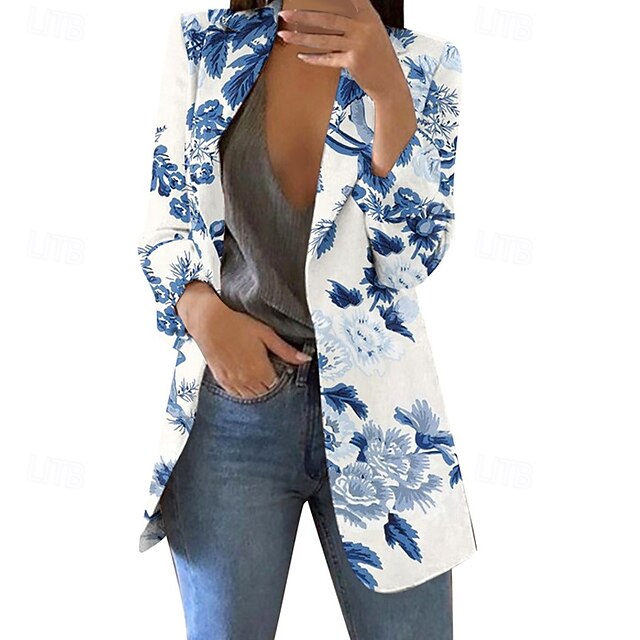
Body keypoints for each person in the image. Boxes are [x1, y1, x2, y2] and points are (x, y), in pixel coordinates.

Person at [138, 0, 472, 637]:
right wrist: (202, 311)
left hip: (385, 427)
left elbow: (409, 261)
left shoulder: (425, 63)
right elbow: (165, 227)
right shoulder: (204, 46)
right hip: (234, 410)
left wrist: (389, 94)